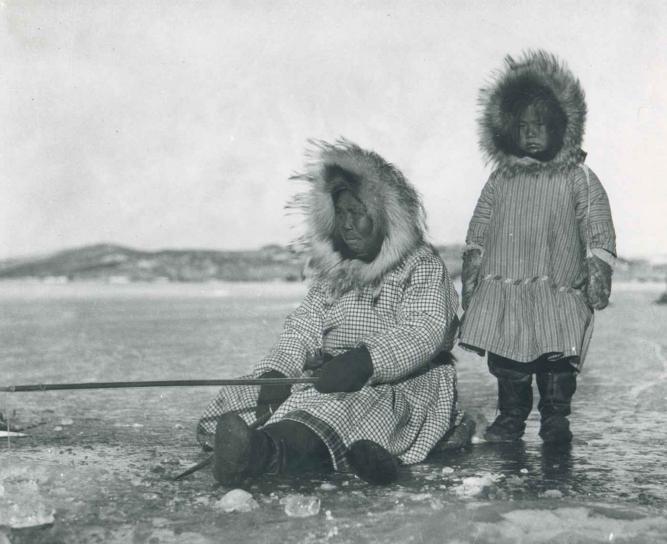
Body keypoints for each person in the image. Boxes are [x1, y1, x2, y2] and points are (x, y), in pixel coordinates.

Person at [197, 139, 467, 486]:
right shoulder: (336, 271)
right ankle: (329, 451)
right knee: (247, 397)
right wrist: (281, 369)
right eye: (341, 214)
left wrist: (367, 360)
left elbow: (423, 329)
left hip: (401, 379)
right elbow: (304, 326)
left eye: (359, 214)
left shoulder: (419, 266)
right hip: (331, 373)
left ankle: (266, 455)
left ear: (387, 217)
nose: (349, 225)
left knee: (346, 407)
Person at [459, 51, 616, 445]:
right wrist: (473, 268)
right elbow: (479, 228)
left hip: (558, 287)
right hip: (507, 287)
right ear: (508, 128)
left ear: (561, 127)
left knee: (557, 360)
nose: (531, 133)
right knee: (509, 361)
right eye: (523, 125)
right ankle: (511, 419)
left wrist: (598, 267)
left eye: (541, 125)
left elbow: (596, 224)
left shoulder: (577, 177)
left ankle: (555, 418)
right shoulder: (501, 179)